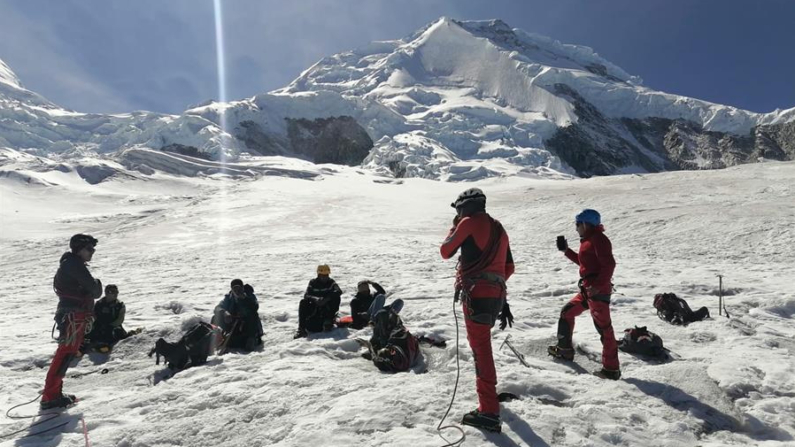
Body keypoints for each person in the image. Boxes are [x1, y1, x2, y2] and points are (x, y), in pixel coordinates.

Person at [440, 188, 515, 433]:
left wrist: (456, 226)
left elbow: (445, 251)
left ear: (464, 207)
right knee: (483, 348)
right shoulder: (499, 228)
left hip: (476, 295)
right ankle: (489, 402)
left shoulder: (469, 222)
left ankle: (488, 411)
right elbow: (509, 267)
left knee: (481, 350)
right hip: (496, 295)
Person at [549, 209, 620, 380]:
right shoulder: (589, 240)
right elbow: (585, 264)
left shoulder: (599, 240)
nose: (576, 228)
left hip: (597, 293)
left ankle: (611, 370)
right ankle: (565, 350)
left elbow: (609, 265)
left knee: (604, 330)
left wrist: (597, 286)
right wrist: (566, 251)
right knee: (567, 312)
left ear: (586, 224)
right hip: (588, 291)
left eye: (577, 224)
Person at [41, 234, 103, 410]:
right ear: (79, 249)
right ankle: (50, 396)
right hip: (73, 316)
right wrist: (97, 284)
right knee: (66, 353)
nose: (92, 252)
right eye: (89, 249)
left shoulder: (70, 264)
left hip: (72, 315)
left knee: (66, 353)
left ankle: (53, 393)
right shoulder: (73, 265)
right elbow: (95, 290)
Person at [212, 279, 263, 351]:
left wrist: (245, 299)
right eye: (234, 289)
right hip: (233, 323)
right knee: (215, 317)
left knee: (253, 315)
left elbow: (255, 307)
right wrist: (224, 312)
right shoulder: (229, 298)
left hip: (247, 326)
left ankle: (251, 339)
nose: (237, 291)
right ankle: (216, 338)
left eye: (239, 288)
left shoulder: (249, 295)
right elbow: (218, 308)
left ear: (243, 288)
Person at [294, 265, 342, 338]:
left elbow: (339, 291)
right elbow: (306, 295)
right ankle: (301, 329)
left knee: (336, 297)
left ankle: (329, 319)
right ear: (318, 275)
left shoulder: (331, 282)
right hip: (315, 308)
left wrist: (326, 299)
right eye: (322, 276)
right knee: (303, 302)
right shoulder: (313, 282)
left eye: (326, 275)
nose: (324, 277)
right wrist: (315, 299)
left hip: (327, 309)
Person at [85, 284, 128, 351]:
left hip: (113, 326)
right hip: (100, 325)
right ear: (107, 293)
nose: (115, 294)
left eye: (116, 292)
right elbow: (94, 315)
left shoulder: (119, 305)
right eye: (113, 292)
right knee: (91, 333)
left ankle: (105, 346)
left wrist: (110, 326)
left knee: (113, 333)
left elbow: (120, 319)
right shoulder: (99, 303)